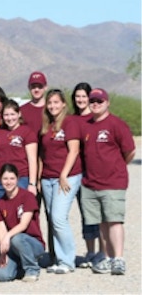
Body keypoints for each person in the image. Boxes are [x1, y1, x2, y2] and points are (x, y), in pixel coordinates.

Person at [80, 88, 135, 276]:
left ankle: (119, 258)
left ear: (107, 103)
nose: (95, 104)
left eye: (99, 101)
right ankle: (107, 257)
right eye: (92, 101)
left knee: (114, 220)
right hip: (91, 183)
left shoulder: (116, 124)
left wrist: (117, 167)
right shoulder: (87, 126)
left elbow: (130, 151)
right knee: (101, 222)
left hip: (113, 182)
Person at [39, 89, 83, 274]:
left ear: (64, 103)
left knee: (58, 218)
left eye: (56, 102)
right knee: (52, 219)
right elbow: (42, 154)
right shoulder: (47, 125)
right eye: (50, 103)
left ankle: (67, 261)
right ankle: (58, 258)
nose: (52, 106)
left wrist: (64, 174)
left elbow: (74, 150)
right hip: (47, 177)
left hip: (66, 176)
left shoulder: (70, 122)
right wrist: (39, 178)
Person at [0, 163, 45, 282]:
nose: (8, 182)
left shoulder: (27, 196)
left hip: (32, 243)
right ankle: (21, 265)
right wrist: (2, 254)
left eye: (12, 178)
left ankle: (32, 269)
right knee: (2, 275)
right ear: (0, 180)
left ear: (17, 179)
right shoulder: (0, 203)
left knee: (17, 238)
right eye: (5, 179)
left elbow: (23, 225)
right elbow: (2, 229)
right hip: (13, 246)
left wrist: (7, 236)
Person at [71, 82, 102, 268]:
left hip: (91, 173)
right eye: (77, 96)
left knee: (91, 214)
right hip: (74, 171)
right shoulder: (70, 120)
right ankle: (88, 251)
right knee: (77, 214)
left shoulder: (95, 119)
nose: (81, 100)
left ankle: (97, 252)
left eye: (84, 96)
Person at [0, 99, 38, 201]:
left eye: (12, 114)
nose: (10, 118)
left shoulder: (27, 132)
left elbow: (32, 159)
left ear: (19, 114)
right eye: (6, 115)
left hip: (20, 178)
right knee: (2, 212)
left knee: (20, 212)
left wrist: (32, 183)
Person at [20, 71, 48, 136]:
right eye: (33, 87)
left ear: (46, 87)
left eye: (40, 86)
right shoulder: (22, 110)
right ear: (29, 87)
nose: (36, 90)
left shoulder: (52, 109)